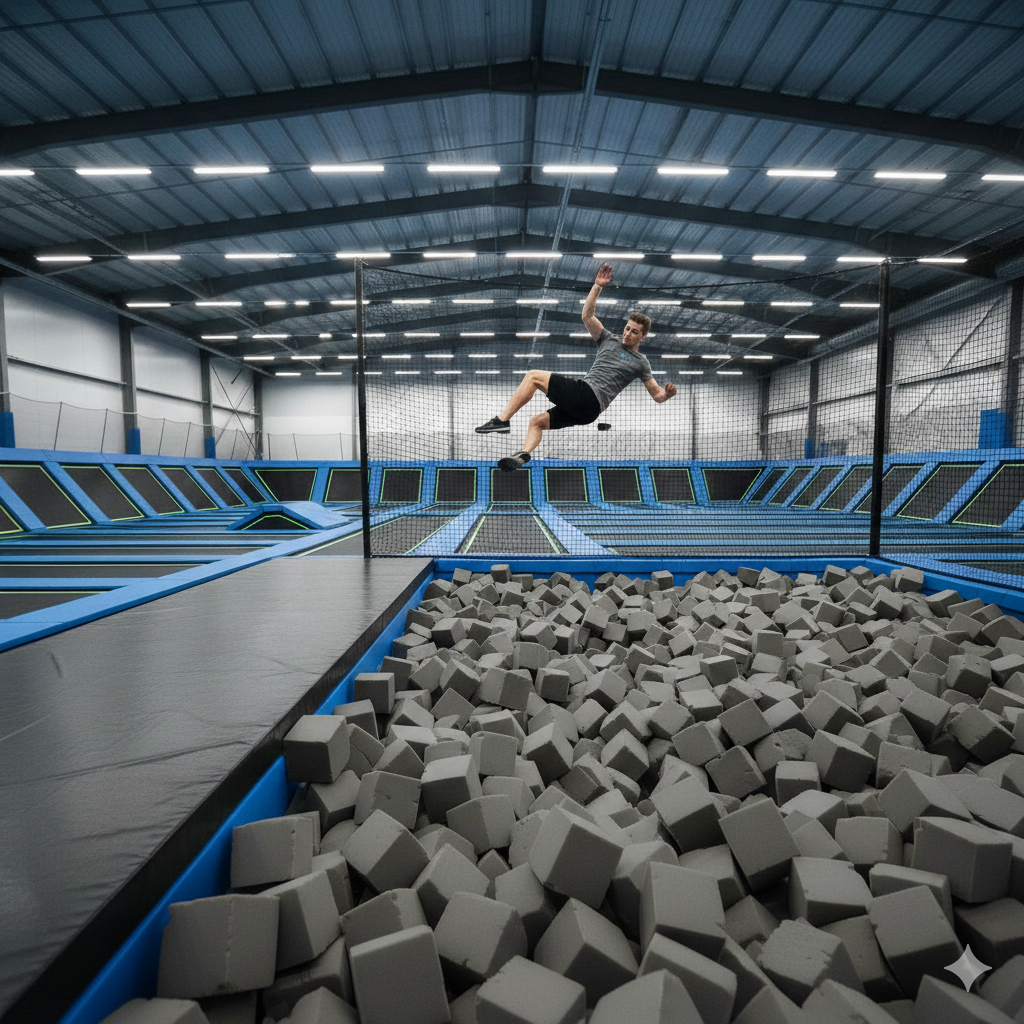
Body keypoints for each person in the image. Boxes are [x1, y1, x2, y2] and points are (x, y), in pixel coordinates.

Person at [475, 262, 677, 470]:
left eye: (634, 332)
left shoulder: (641, 362)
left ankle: (502, 420)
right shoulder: (609, 339)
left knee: (533, 376)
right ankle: (523, 454)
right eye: (627, 328)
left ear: (642, 337)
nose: (628, 334)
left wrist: (667, 394)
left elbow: (657, 396)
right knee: (537, 422)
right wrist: (597, 286)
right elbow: (587, 316)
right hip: (587, 412)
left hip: (589, 397)